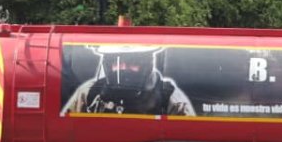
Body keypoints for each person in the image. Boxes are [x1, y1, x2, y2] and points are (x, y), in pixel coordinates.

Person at [61, 45, 195, 116]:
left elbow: (189, 135)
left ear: (147, 64)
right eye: (116, 62)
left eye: (132, 63)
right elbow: (65, 127)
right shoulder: (89, 92)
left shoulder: (170, 98)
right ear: (106, 64)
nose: (123, 68)